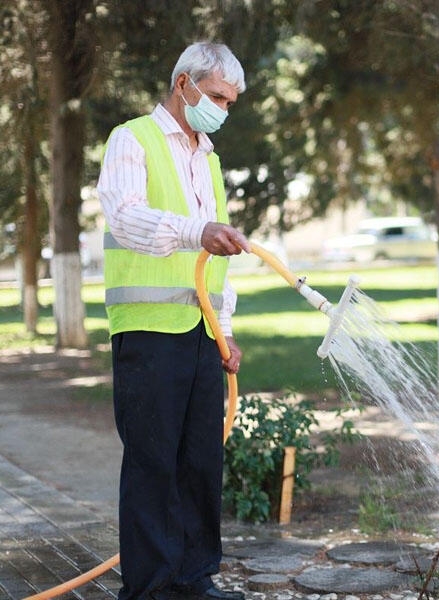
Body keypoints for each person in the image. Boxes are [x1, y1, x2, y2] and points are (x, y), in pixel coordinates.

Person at [97, 41, 251, 600]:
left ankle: (193, 578)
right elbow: (126, 216)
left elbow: (215, 261)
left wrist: (225, 331)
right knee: (153, 463)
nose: (222, 110)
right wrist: (195, 231)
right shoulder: (131, 139)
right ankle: (151, 587)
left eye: (230, 103)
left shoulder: (207, 158)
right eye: (216, 96)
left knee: (201, 463)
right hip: (149, 332)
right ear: (183, 83)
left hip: (201, 334)